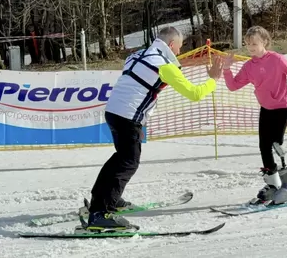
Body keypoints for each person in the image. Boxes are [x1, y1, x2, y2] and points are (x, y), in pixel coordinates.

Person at [86, 26, 224, 230]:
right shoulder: (164, 66)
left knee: (122, 158)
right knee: (128, 162)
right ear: (170, 45)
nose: (178, 52)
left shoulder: (136, 55)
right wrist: (213, 80)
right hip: (127, 117)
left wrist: (139, 121)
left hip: (114, 112)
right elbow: (194, 94)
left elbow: (137, 88)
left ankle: (103, 200)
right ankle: (100, 213)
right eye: (179, 47)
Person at [222, 26, 287, 205]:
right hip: (266, 109)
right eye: (248, 44)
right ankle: (274, 185)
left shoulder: (277, 60)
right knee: (264, 147)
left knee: (275, 143)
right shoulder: (249, 66)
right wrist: (227, 70)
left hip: (282, 108)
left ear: (265, 42)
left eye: (254, 43)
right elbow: (233, 86)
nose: (250, 47)